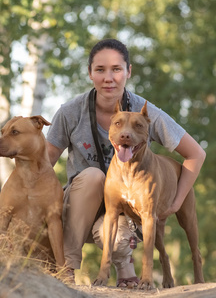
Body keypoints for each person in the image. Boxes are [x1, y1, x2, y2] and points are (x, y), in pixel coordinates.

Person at [46, 38, 206, 287]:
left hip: (127, 211)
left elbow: (196, 154)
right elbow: (45, 164)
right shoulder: (70, 112)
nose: (108, 78)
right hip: (79, 210)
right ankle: (66, 270)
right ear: (90, 73)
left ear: (128, 72)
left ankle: (128, 275)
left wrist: (175, 203)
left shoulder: (147, 113)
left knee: (119, 233)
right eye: (100, 70)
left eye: (116, 69)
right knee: (93, 177)